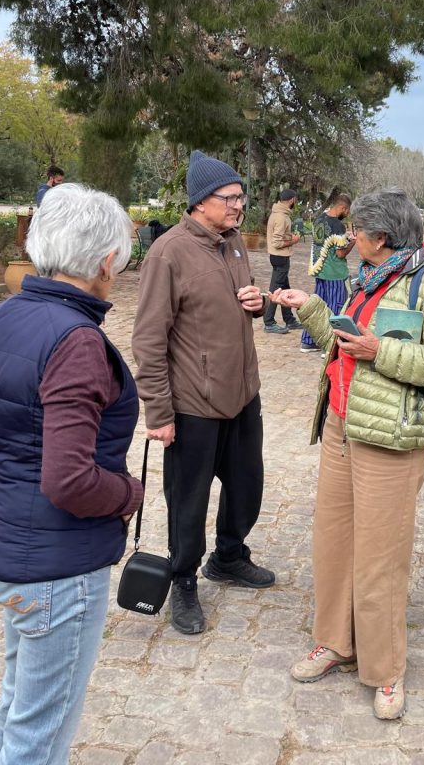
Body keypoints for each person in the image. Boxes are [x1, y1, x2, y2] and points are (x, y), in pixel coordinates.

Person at [270, 189, 424, 721]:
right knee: (333, 543)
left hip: (390, 440)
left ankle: (385, 670)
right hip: (340, 425)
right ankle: (336, 642)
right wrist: (310, 308)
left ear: (382, 237)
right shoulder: (366, 280)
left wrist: (382, 351)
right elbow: (344, 341)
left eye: (358, 229)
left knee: (381, 556)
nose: (349, 236)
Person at [0, 183, 143, 765]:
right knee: (40, 732)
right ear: (107, 263)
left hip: (16, 551)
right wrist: (128, 494)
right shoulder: (76, 341)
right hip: (58, 569)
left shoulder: (10, 316)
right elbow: (69, 480)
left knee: (17, 707)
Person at [132, 150, 274, 637]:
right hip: (192, 404)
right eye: (230, 198)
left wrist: (256, 304)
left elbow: (241, 300)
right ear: (200, 203)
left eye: (240, 197)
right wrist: (159, 411)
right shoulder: (168, 253)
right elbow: (149, 338)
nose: (239, 206)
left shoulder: (234, 245)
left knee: (247, 486)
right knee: (187, 502)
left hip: (241, 396)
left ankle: (229, 555)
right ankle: (184, 578)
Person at [301, 193, 355, 353]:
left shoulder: (319, 220)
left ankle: (308, 341)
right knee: (336, 308)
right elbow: (340, 253)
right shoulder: (337, 226)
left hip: (320, 271)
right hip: (335, 274)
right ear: (343, 208)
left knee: (316, 307)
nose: (348, 214)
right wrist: (353, 242)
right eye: (348, 211)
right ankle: (330, 346)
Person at [262, 188, 302, 334]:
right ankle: (269, 322)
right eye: (295, 200)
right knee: (276, 290)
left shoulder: (278, 213)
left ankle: (289, 320)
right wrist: (293, 240)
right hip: (280, 257)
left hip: (278, 256)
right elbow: (277, 242)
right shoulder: (281, 217)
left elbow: (279, 236)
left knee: (284, 288)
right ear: (292, 200)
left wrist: (288, 236)